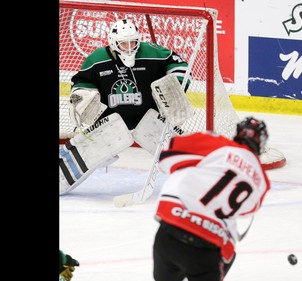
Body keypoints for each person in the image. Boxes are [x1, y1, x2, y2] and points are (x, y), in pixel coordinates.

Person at [59, 18, 191, 195]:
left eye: (133, 42)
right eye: (123, 44)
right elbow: (81, 81)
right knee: (94, 142)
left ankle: (197, 176)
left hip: (150, 116)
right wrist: (83, 96)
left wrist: (174, 84)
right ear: (114, 43)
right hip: (109, 120)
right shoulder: (96, 59)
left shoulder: (153, 52)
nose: (129, 48)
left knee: (175, 145)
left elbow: (178, 64)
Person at [153, 116, 271, 281]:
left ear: (238, 133)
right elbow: (248, 209)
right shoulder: (262, 181)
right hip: (208, 246)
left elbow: (168, 153)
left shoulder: (218, 144)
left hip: (171, 230)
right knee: (229, 252)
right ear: (261, 144)